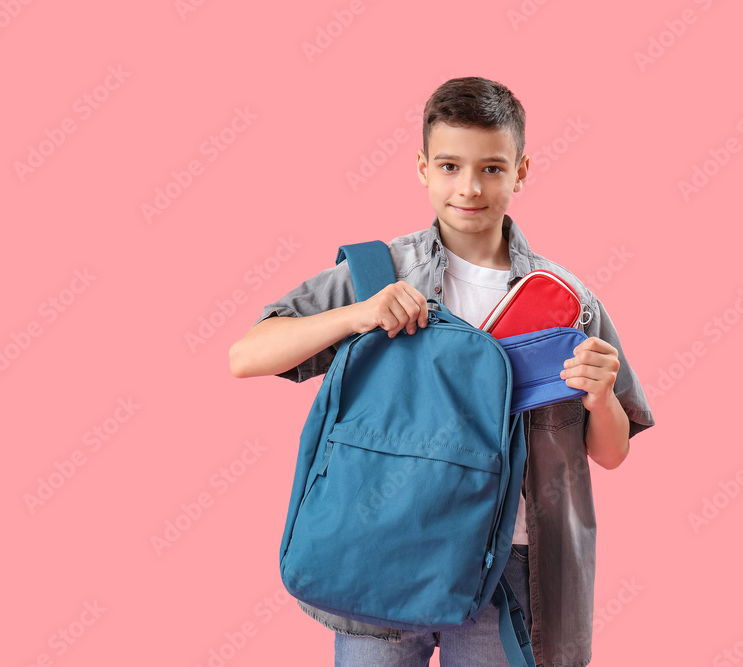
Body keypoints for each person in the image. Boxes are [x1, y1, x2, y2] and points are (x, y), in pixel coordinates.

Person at [229, 76, 655, 667]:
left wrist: (602, 395)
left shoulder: (567, 302)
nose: (470, 188)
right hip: (381, 541)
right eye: (451, 166)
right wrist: (358, 314)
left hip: (512, 562)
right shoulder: (379, 273)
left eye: (492, 168)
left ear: (521, 171)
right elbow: (246, 355)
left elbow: (610, 453)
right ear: (423, 168)